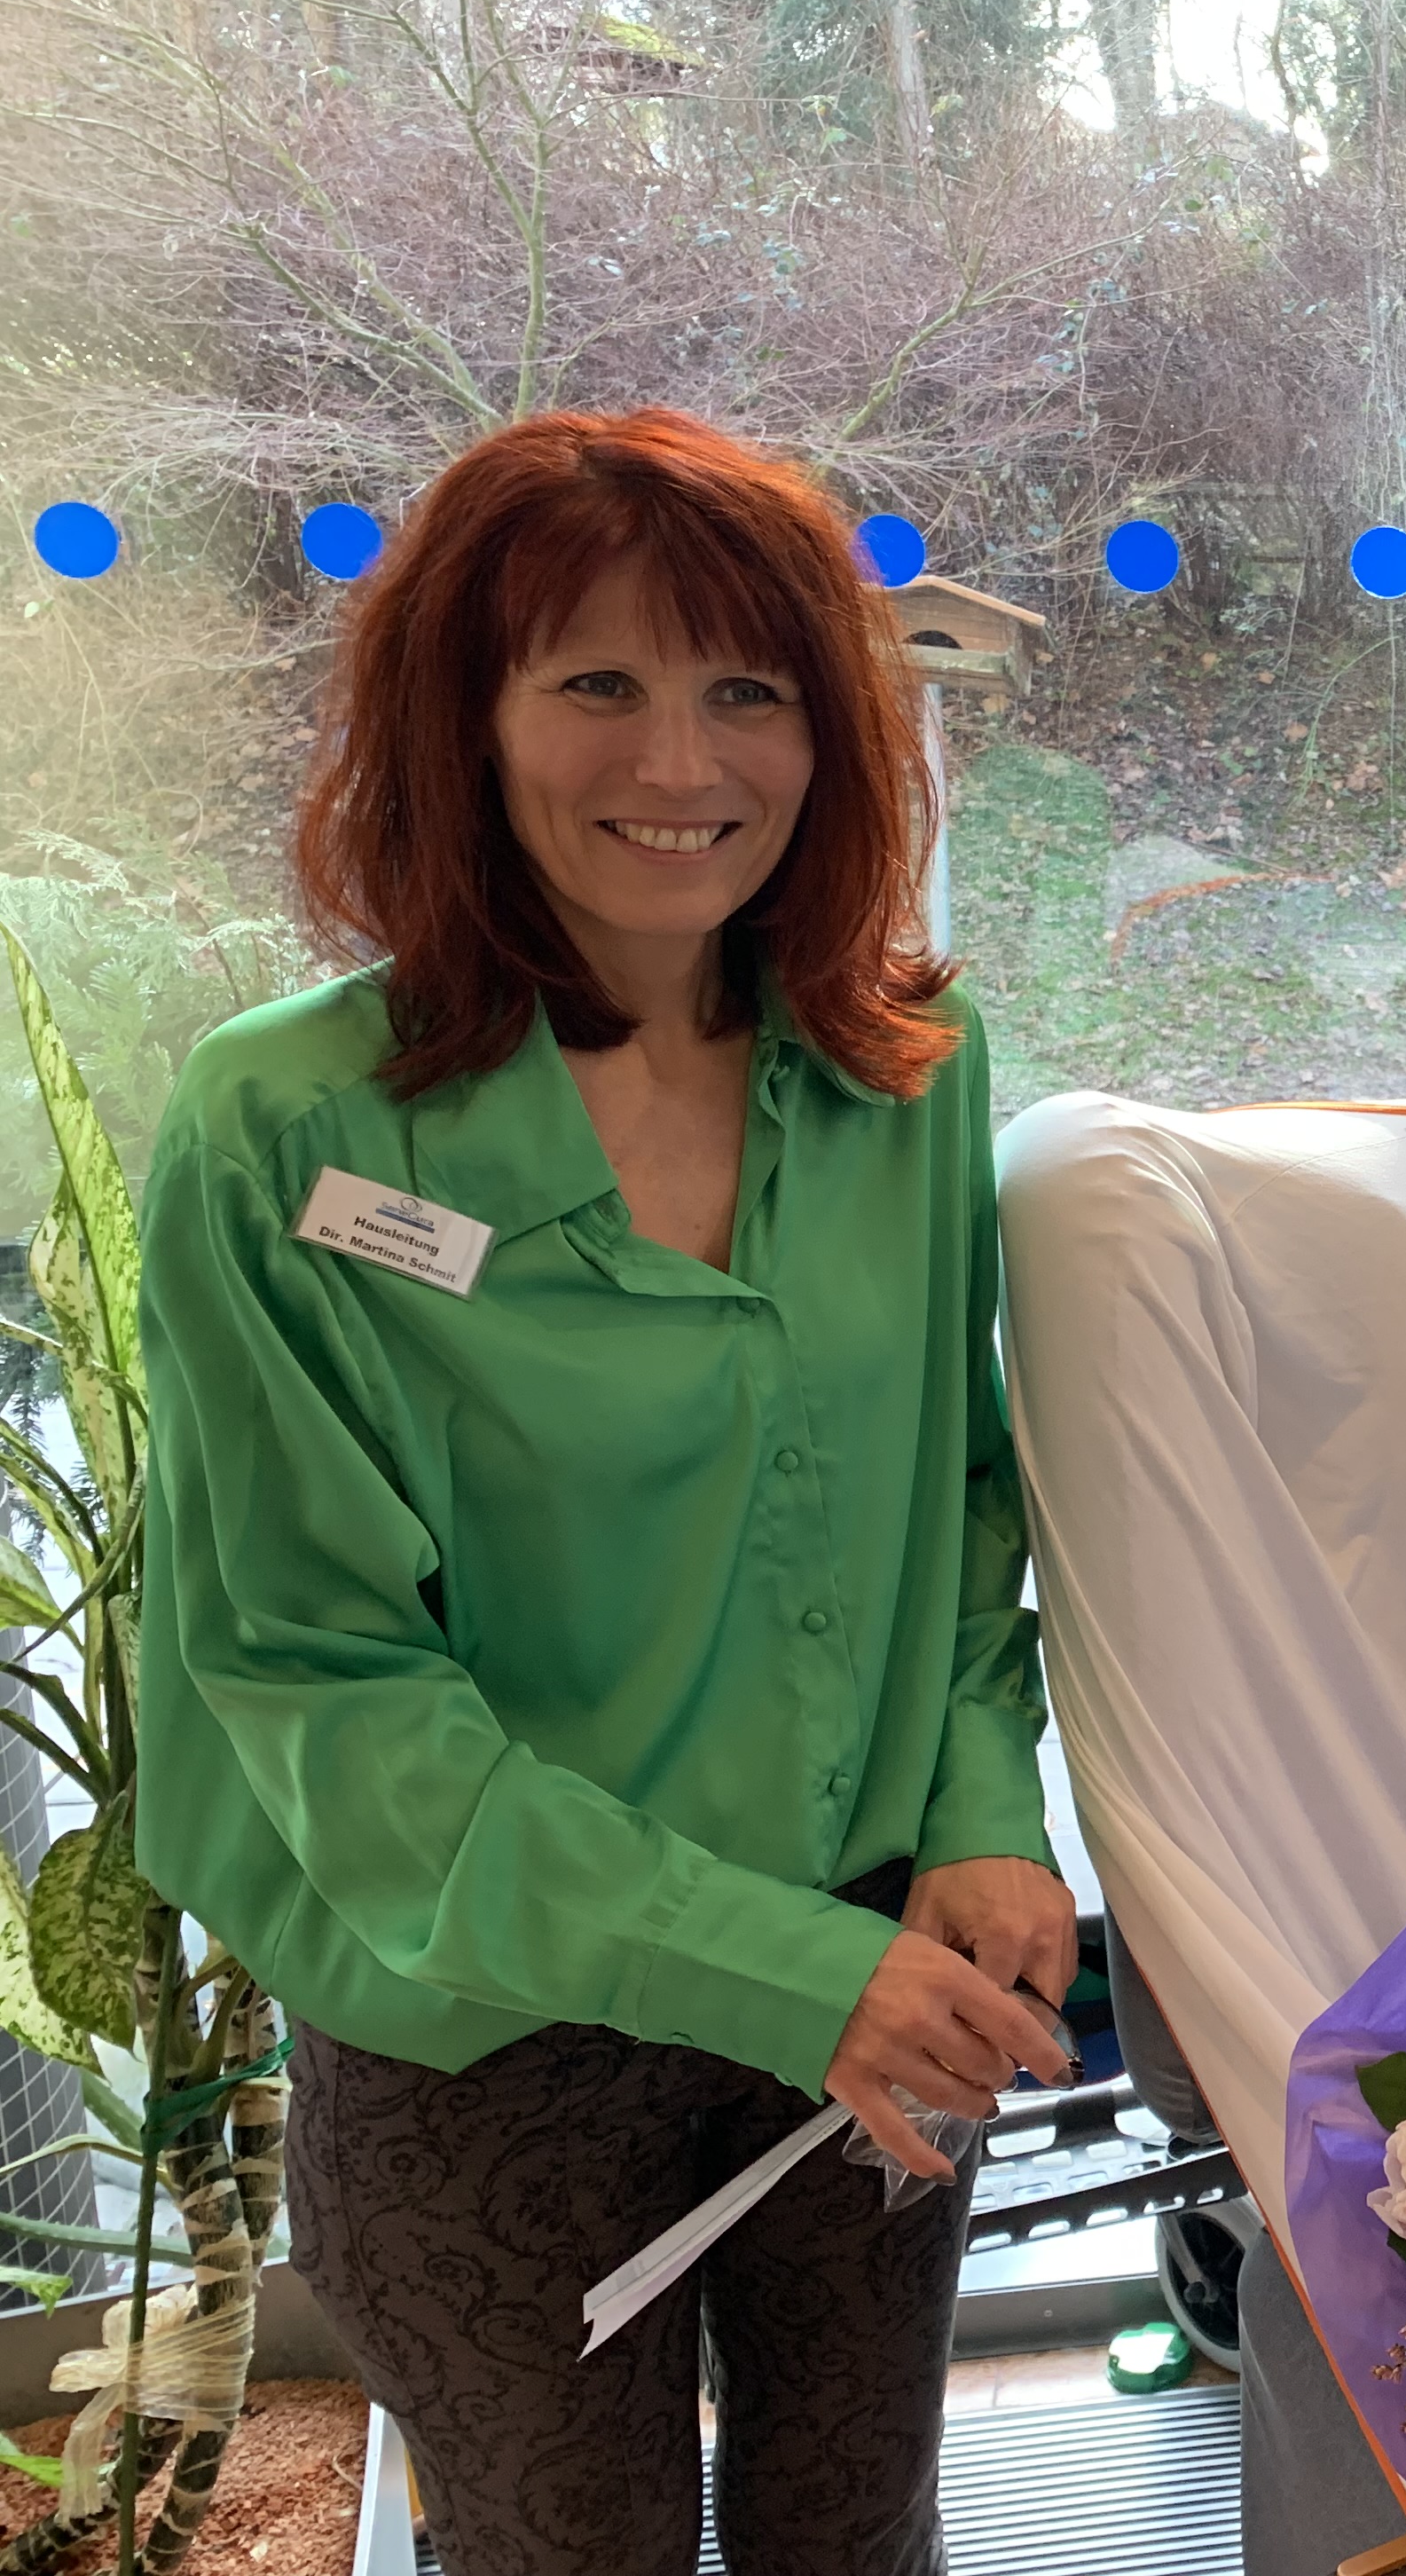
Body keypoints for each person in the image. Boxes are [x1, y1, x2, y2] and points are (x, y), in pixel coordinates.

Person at [137, 408, 1076, 2576]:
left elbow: (958, 1502)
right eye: (597, 682)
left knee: (862, 2531)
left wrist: (982, 1809)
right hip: (493, 2036)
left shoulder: (904, 1074)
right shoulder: (290, 1132)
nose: (682, 760)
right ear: (463, 718)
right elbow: (322, 1686)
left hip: (875, 1967)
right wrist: (766, 1968)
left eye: (748, 688)